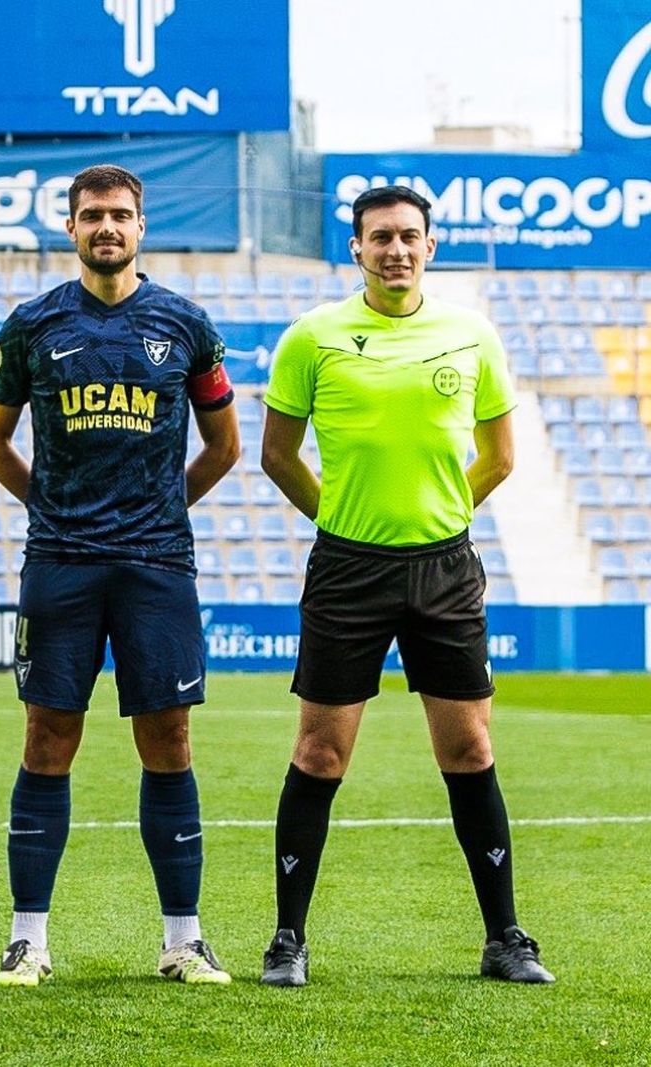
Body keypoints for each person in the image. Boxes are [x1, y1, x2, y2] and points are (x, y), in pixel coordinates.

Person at [258, 184, 551, 986]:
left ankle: (504, 937)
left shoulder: (471, 334)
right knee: (320, 751)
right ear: (355, 248)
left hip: (446, 568)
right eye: (380, 236)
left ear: (431, 245)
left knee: (471, 747)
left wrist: (442, 515)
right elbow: (278, 455)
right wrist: (343, 519)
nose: (396, 249)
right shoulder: (312, 338)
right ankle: (289, 937)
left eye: (409, 236)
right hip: (347, 568)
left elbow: (499, 457)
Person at [0, 164, 241, 989]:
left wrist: (165, 506)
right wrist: (48, 506)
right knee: (47, 739)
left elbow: (226, 444)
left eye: (121, 215)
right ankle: (28, 939)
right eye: (92, 215)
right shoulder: (32, 326)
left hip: (158, 562)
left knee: (169, 741)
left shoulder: (187, 324)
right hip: (60, 561)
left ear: (141, 225)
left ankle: (184, 939)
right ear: (70, 227)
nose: (107, 228)